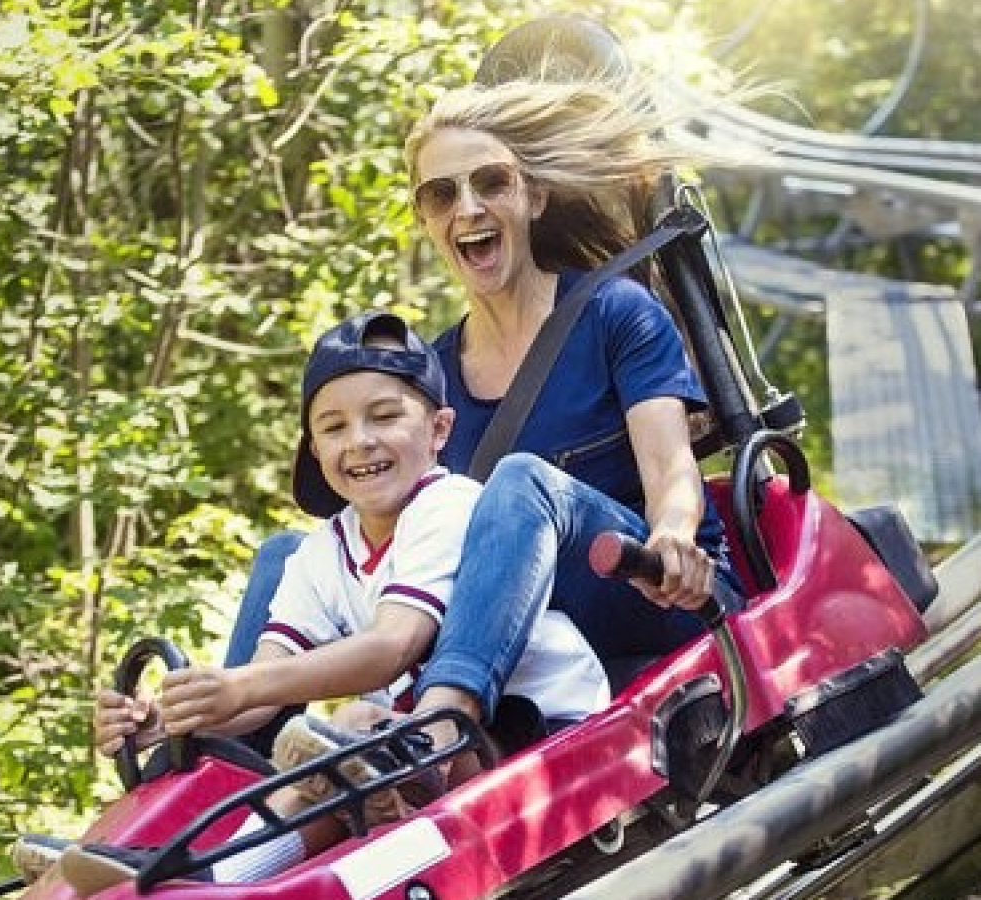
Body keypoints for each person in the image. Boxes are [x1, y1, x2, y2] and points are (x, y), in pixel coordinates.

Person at [225, 73, 741, 773]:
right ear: (425, 217)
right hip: (517, 632)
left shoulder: (615, 314)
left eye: (490, 182)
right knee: (289, 552)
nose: (467, 206)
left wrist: (674, 537)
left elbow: (671, 471)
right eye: (441, 193)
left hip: (652, 592)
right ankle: (208, 770)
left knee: (522, 480)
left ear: (532, 196)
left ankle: (441, 730)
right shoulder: (430, 375)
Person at [23, 310, 609, 893]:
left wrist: (241, 689)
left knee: (346, 733)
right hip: (419, 738)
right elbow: (264, 679)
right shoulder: (324, 551)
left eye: (385, 416)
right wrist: (172, 717)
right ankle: (200, 870)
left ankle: (217, 875)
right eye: (333, 427)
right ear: (314, 449)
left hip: (536, 727)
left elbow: (391, 645)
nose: (360, 441)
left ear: (438, 431)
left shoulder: (449, 505)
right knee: (335, 758)